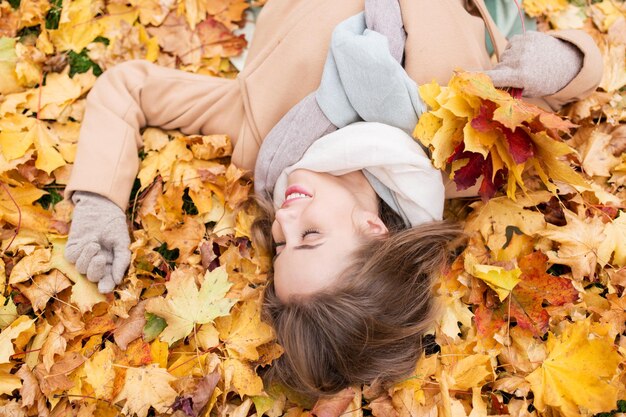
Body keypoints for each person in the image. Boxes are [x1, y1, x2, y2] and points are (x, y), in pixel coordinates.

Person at [63, 0, 602, 399]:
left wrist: (97, 201)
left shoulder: (256, 135)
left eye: (282, 242)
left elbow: (129, 89)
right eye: (312, 236)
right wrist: (563, 59)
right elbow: (569, 80)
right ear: (374, 229)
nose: (287, 213)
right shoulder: (464, 156)